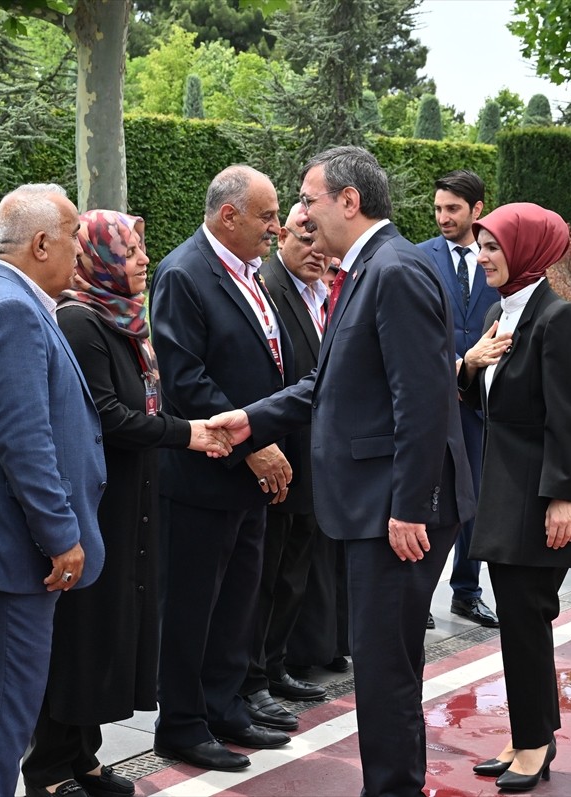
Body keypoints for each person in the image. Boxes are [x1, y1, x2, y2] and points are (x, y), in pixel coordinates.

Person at [207, 145, 476, 797]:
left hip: (396, 510)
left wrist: (410, 504)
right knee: (385, 664)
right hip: (377, 502)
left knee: (385, 668)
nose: (298, 213)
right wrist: (250, 420)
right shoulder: (368, 269)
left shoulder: (394, 270)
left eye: (307, 198)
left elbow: (424, 396)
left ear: (348, 202)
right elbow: (326, 383)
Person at [22, 209, 232, 797]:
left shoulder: (119, 320)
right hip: (98, 502)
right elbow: (109, 416)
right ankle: (47, 771)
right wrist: (184, 431)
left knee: (107, 634)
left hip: (128, 501)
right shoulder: (80, 322)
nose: (143, 259)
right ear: (100, 258)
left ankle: (83, 757)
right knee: (80, 636)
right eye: (132, 249)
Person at [0, 184, 107, 797]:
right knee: (3, 717)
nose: (81, 255)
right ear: (41, 243)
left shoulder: (3, 297)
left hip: (2, 551)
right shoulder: (11, 309)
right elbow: (24, 443)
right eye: (73, 240)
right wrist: (61, 535)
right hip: (17, 555)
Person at [150, 164, 294, 773]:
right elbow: (185, 381)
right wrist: (251, 441)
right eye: (266, 216)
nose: (277, 226)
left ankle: (224, 704)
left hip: (244, 481)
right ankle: (181, 723)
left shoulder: (249, 271)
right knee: (192, 605)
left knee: (237, 599)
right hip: (205, 476)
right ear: (228, 215)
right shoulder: (184, 274)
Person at [458, 202, 571, 792]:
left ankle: (535, 744)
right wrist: (467, 365)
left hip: (540, 496)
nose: (482, 255)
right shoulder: (501, 312)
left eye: (492, 246)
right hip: (503, 489)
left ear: (527, 250)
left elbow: (567, 416)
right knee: (517, 621)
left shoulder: (558, 318)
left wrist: (561, 498)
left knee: (526, 619)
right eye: (481, 245)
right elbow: (481, 402)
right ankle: (525, 736)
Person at [239, 203, 335, 732]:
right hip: (276, 456)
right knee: (266, 576)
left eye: (320, 241)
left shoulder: (322, 291)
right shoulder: (268, 287)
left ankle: (274, 666)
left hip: (312, 458)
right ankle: (252, 677)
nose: (315, 251)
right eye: (304, 238)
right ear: (283, 239)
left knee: (294, 572)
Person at [416, 169, 500, 630]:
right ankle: (420, 592)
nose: (443, 217)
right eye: (438, 209)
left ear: (476, 210)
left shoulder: (496, 258)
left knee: (477, 498)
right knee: (431, 496)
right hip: (436, 395)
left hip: (485, 400)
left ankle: (466, 592)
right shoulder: (417, 258)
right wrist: (457, 362)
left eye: (452, 209)